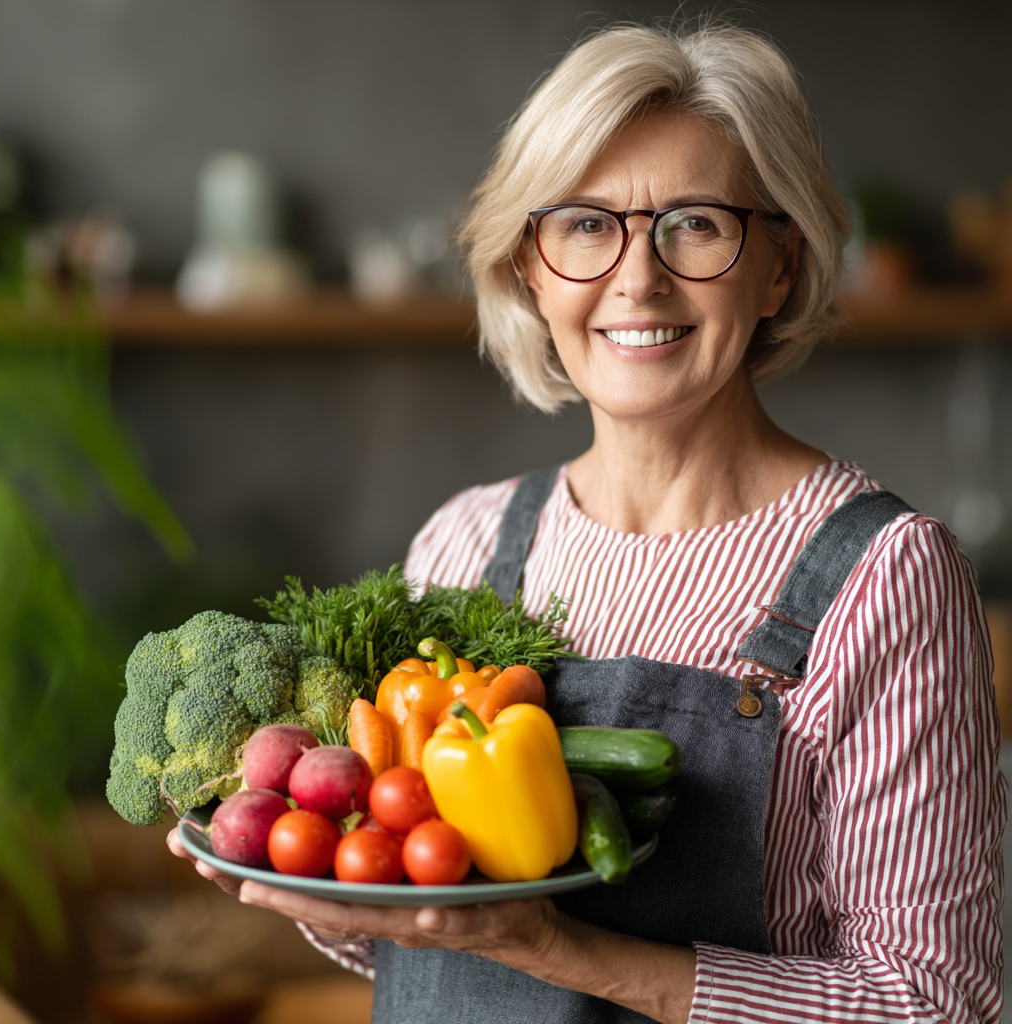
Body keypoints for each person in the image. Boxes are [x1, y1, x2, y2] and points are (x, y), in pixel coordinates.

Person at [169, 22, 1006, 1024]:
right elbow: (422, 936)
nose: (637, 278)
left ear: (780, 265)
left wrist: (567, 953)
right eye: (584, 224)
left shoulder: (885, 577)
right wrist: (300, 879)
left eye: (695, 224)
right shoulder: (465, 541)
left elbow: (932, 1002)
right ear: (531, 266)